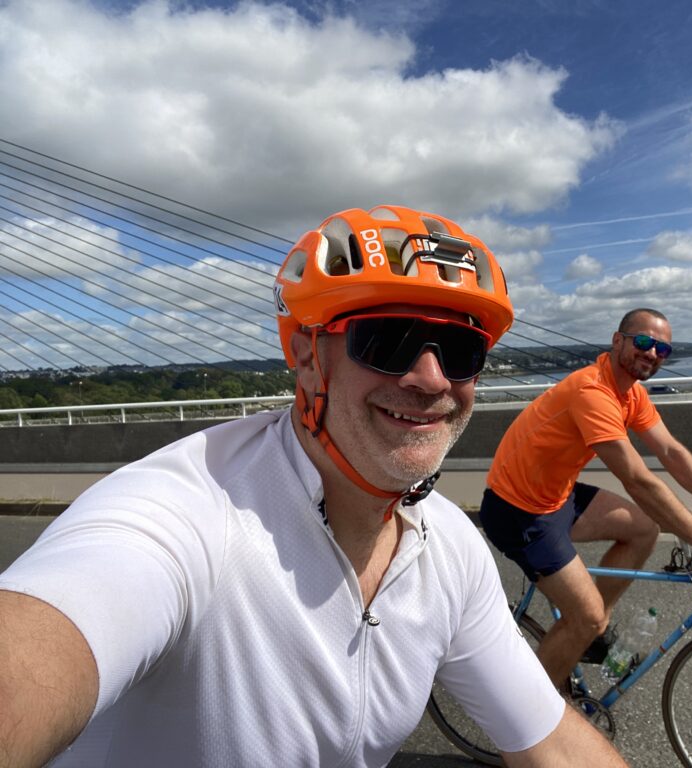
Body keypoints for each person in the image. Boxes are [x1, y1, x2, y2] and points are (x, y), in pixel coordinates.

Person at [0, 205, 626, 768]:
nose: (433, 379)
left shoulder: (451, 547)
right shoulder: (183, 511)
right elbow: (44, 639)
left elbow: (552, 744)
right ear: (305, 353)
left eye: (463, 349)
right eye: (388, 339)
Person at [479, 307, 692, 687]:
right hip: (518, 511)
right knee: (588, 615)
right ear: (618, 341)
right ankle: (536, 722)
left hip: (558, 495)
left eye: (662, 349)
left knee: (644, 529)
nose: (651, 354)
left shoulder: (629, 393)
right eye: (644, 342)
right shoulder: (593, 392)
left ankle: (589, 634)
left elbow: (671, 453)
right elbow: (638, 480)